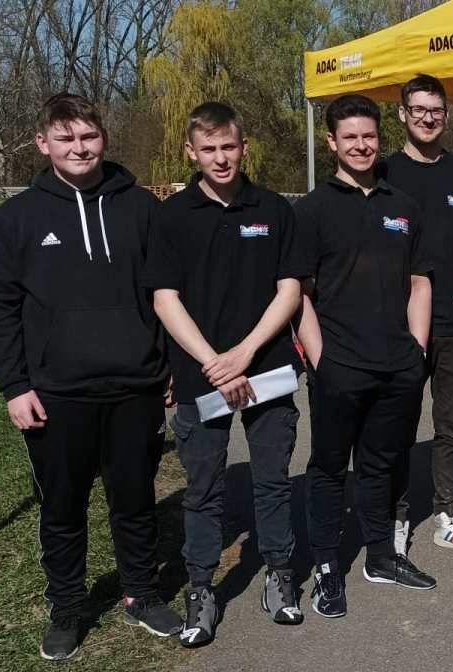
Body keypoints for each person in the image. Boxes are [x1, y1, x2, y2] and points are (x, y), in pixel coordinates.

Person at [0, 92, 181, 661]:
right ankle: (68, 607)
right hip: (55, 394)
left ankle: (142, 593)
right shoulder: (18, 217)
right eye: (65, 139)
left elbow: (164, 294)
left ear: (103, 140)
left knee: (135, 501)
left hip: (135, 387)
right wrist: (14, 385)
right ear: (44, 145)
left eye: (88, 136)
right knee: (62, 508)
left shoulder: (141, 208)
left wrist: (165, 366)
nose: (79, 148)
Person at [141, 102, 306, 646]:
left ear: (244, 146)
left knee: (273, 483)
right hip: (199, 378)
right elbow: (166, 300)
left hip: (268, 373)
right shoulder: (172, 216)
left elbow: (290, 291)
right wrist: (214, 361)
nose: (220, 158)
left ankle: (281, 576)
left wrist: (245, 353)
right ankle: (201, 588)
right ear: (191, 152)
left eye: (228, 147)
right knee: (204, 491)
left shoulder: (276, 210)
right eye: (208, 149)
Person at [295, 94, 438, 619]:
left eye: (369, 136)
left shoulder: (403, 206)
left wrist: (416, 351)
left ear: (381, 139)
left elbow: (420, 282)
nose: (361, 145)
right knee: (330, 469)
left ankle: (381, 555)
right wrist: (320, 359)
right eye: (350, 137)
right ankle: (328, 567)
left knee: (380, 466)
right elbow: (300, 292)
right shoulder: (310, 210)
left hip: (397, 365)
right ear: (331, 141)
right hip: (338, 368)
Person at [380, 74, 453, 557]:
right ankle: (397, 514)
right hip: (396, 327)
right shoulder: (381, 175)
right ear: (402, 114)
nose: (427, 117)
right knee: (397, 424)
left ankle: (449, 511)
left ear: (447, 115)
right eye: (418, 109)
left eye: (436, 110)